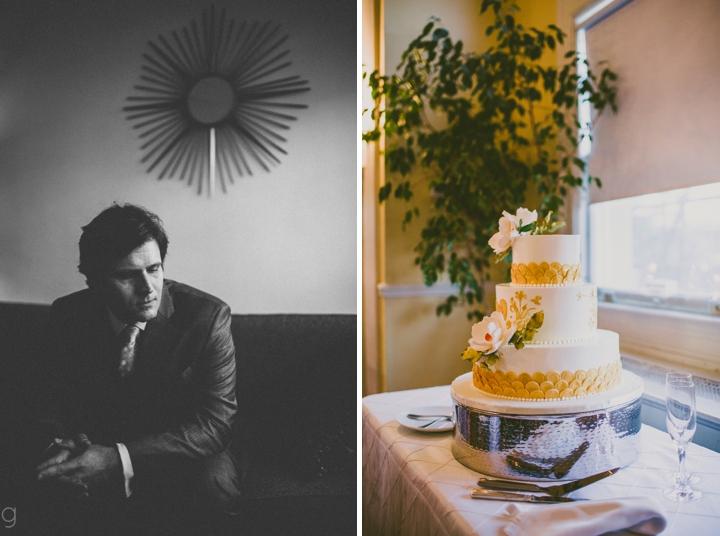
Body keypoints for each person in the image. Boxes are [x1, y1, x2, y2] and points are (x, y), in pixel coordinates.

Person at [29, 203, 241, 535]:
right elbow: (47, 400)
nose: (148, 288)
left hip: (181, 446)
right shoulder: (68, 315)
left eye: (154, 269)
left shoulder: (208, 318)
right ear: (94, 281)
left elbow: (214, 425)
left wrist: (116, 458)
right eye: (127, 275)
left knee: (215, 486)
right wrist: (59, 448)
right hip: (94, 437)